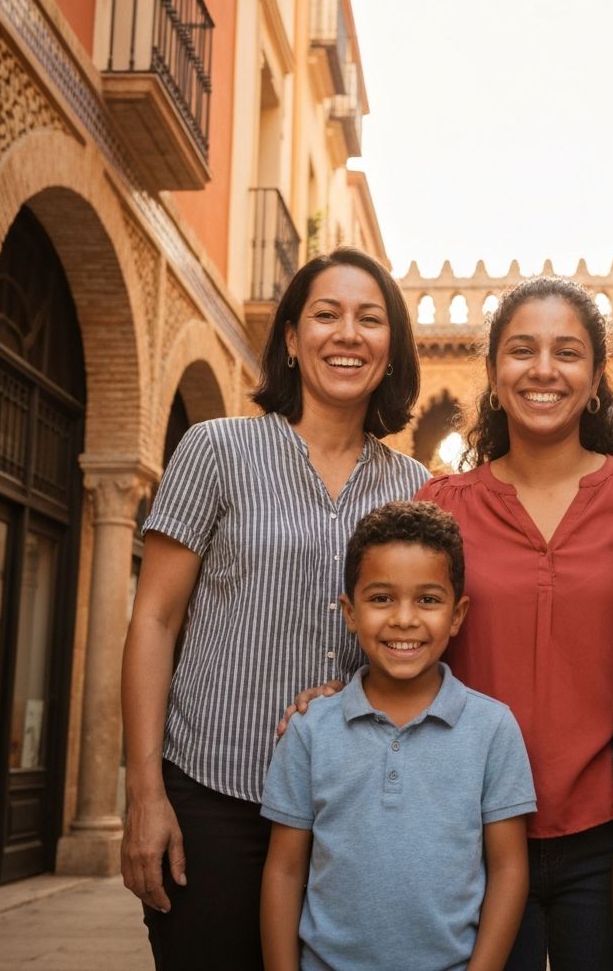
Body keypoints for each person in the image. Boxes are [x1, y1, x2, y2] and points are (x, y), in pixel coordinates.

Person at [120, 247, 429, 971]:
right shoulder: (215, 450)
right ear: (291, 339)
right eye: (326, 315)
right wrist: (144, 794)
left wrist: (353, 690)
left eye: (369, 320)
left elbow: (419, 642)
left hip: (349, 807)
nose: (347, 333)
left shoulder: (416, 486)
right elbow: (155, 621)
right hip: (213, 795)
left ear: (391, 350)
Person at [415, 276, 613, 971]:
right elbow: (399, 645)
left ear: (596, 379)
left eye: (566, 352)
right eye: (521, 351)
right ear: (494, 376)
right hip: (467, 833)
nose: (542, 370)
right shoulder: (441, 506)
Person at [261, 501, 536, 971]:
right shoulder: (310, 729)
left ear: (456, 614)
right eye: (381, 598)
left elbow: (509, 870)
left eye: (427, 599)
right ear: (350, 612)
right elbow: (284, 870)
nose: (404, 619)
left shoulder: (492, 729)